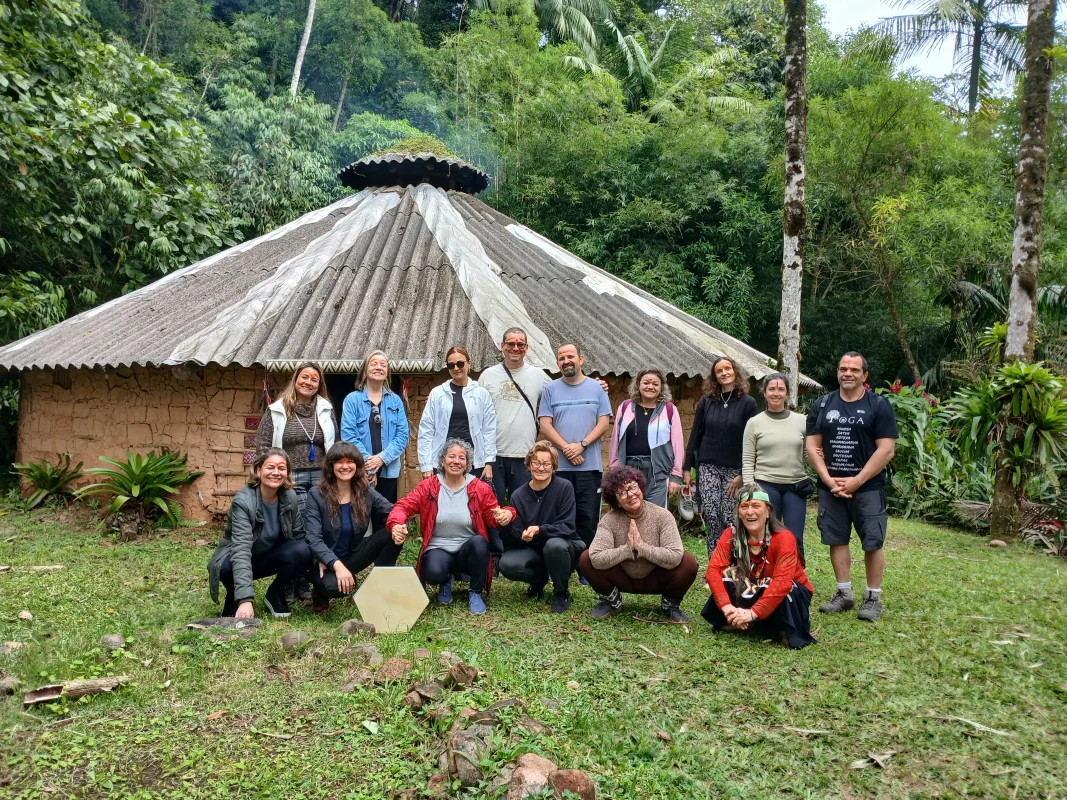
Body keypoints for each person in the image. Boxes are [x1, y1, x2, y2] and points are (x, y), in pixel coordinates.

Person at [806, 351, 898, 621]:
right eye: (843, 368)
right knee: (836, 538)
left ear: (864, 375)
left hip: (868, 488)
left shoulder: (879, 405)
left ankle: (873, 597)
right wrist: (827, 479)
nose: (848, 373)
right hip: (831, 487)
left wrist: (857, 481)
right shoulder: (823, 405)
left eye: (854, 370)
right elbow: (812, 446)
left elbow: (886, 449)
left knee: (872, 540)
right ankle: (844, 593)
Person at [387, 439, 515, 615]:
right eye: (451, 456)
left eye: (461, 458)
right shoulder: (429, 486)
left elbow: (494, 516)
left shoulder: (479, 488)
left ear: (467, 464)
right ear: (442, 461)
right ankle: (446, 579)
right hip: (438, 548)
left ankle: (475, 592)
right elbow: (403, 506)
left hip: (467, 549)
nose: (456, 461)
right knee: (432, 572)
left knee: (480, 542)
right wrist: (396, 524)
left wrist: (507, 514)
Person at [255, 362, 336, 604]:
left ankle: (307, 580)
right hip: (289, 478)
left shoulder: (326, 409)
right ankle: (292, 582)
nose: (309, 382)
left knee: (317, 528)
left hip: (320, 478)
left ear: (319, 385)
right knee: (295, 530)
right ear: (295, 379)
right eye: (304, 377)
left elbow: (333, 444)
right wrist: (268, 475)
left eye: (314, 379)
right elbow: (263, 446)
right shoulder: (277, 409)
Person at [578, 465, 699, 622]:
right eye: (622, 492)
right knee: (586, 558)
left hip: (657, 576)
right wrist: (627, 549)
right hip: (622, 576)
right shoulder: (609, 520)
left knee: (688, 562)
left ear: (641, 487)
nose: (630, 494)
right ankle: (611, 601)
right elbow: (596, 557)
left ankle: (670, 605)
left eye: (632, 487)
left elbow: (675, 555)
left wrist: (641, 547)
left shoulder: (663, 516)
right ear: (616, 502)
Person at [701, 484, 817, 649]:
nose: (750, 512)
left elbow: (783, 582)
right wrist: (727, 608)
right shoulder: (731, 535)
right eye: (744, 507)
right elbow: (713, 570)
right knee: (727, 574)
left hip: (790, 593)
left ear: (768, 511)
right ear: (739, 513)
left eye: (756, 506)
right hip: (754, 586)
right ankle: (739, 618)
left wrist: (751, 613)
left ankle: (775, 625)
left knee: (780, 585)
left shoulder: (784, 538)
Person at [207, 448, 310, 619]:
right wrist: (245, 599)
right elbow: (240, 550)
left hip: (268, 556)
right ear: (258, 470)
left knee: (303, 550)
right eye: (270, 467)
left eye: (281, 468)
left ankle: (275, 593)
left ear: (287, 472)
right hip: (238, 558)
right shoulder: (243, 502)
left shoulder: (289, 496)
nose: (276, 472)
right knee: (225, 569)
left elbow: (299, 535)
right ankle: (235, 596)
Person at [303, 442, 401, 614]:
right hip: (324, 561)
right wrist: (336, 565)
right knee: (337, 588)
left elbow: (393, 511)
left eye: (350, 462)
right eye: (340, 462)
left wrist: (399, 525)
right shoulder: (316, 495)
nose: (345, 466)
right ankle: (320, 593)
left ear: (357, 465)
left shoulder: (364, 491)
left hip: (353, 553)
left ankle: (381, 585)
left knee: (392, 533)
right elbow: (313, 538)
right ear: (331, 466)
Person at [539, 343, 612, 548]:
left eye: (570, 356)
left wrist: (581, 445)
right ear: (557, 363)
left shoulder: (597, 388)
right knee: (556, 516)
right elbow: (545, 425)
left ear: (581, 359)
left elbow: (604, 423)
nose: (566, 361)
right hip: (558, 468)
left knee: (587, 518)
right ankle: (559, 561)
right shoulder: (550, 389)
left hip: (589, 468)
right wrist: (567, 449)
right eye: (561, 358)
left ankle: (584, 565)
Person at [683, 357, 758, 557]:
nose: (724, 373)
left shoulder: (748, 403)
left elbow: (752, 441)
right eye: (719, 370)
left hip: (734, 471)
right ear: (714, 376)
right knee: (713, 516)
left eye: (728, 369)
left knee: (730, 517)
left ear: (735, 372)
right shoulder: (706, 401)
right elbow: (695, 434)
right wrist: (687, 468)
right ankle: (714, 566)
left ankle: (733, 565)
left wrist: (743, 473)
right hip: (708, 467)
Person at [498, 442, 585, 613]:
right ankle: (538, 581)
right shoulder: (518, 495)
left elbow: (567, 526)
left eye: (546, 463)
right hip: (533, 548)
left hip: (564, 544)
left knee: (554, 546)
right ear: (529, 465)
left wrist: (540, 530)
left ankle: (561, 593)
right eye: (536, 463)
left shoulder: (564, 487)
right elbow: (514, 536)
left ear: (554, 467)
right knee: (507, 564)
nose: (541, 468)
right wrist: (507, 526)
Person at [478, 327, 552, 506]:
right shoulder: (488, 375)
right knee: (491, 506)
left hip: (524, 455)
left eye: (520, 344)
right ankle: (494, 536)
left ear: (526, 348)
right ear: (502, 346)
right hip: (493, 455)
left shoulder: (538, 376)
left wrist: (597, 385)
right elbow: (475, 410)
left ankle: (518, 536)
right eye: (511, 344)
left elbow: (563, 391)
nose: (515, 348)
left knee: (522, 506)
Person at [741, 372, 811, 559]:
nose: (776, 393)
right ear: (764, 393)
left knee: (793, 536)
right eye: (771, 389)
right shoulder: (754, 423)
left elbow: (809, 453)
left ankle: (796, 582)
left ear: (788, 394)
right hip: (765, 485)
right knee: (765, 534)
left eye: (781, 389)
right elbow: (748, 459)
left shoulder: (801, 421)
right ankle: (765, 577)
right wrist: (750, 490)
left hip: (795, 485)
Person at [417, 345, 497, 480]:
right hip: (443, 461)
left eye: (460, 364)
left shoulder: (481, 393)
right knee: (442, 500)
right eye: (451, 365)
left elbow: (489, 429)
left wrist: (488, 462)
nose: (456, 368)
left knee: (472, 499)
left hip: (474, 462)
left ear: (469, 364)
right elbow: (426, 430)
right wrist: (426, 465)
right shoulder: (437, 393)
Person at [608, 369, 684, 508]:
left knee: (655, 513)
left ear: (661, 388)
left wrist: (676, 476)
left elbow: (677, 445)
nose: (650, 386)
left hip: (657, 472)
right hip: (629, 469)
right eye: (646, 383)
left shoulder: (669, 409)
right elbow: (615, 441)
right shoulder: (625, 407)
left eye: (655, 384)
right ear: (638, 385)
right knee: (630, 509)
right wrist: (614, 470)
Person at [340, 350, 409, 503]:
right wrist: (369, 465)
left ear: (387, 373)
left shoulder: (395, 401)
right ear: (365, 370)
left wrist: (381, 459)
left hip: (388, 470)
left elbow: (403, 435)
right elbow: (349, 436)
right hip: (360, 470)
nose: (379, 367)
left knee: (384, 516)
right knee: (359, 517)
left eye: (383, 365)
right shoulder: (352, 400)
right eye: (374, 364)